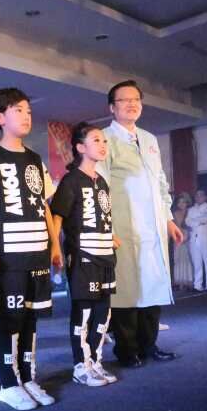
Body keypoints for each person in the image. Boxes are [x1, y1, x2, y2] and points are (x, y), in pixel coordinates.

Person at [0, 87, 63, 410]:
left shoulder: (35, 159)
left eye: (28, 111)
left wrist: (54, 245)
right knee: (11, 319)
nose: (26, 116)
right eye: (18, 110)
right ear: (0, 117)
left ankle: (28, 377)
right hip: (8, 255)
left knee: (31, 319)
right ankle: (9, 384)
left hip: (37, 251)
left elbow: (44, 204)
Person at [98, 80, 183, 368]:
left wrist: (168, 219)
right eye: (124, 100)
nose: (132, 104)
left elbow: (160, 182)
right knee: (127, 290)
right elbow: (100, 187)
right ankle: (126, 350)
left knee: (153, 286)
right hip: (123, 227)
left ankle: (149, 345)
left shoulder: (149, 139)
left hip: (153, 228)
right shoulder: (104, 139)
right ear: (112, 107)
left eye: (136, 99)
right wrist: (107, 229)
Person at [50, 123, 120, 387]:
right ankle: (81, 366)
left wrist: (111, 235)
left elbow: (104, 216)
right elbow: (57, 216)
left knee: (104, 313)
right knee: (84, 313)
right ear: (80, 147)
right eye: (96, 140)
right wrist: (55, 248)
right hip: (83, 257)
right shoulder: (71, 180)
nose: (102, 145)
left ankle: (96, 361)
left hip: (105, 256)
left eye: (104, 141)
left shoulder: (101, 181)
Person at [186, 189, 207, 292]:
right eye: (197, 195)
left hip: (206, 238)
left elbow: (206, 219)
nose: (198, 197)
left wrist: (194, 221)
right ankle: (197, 285)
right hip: (194, 238)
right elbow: (187, 222)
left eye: (201, 195)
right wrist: (198, 221)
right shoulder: (191, 209)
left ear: (205, 197)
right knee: (196, 262)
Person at [172, 193, 194, 290]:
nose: (181, 204)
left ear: (187, 203)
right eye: (179, 202)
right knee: (178, 259)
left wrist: (187, 235)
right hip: (178, 237)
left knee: (188, 258)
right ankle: (179, 281)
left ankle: (189, 281)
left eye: (183, 202)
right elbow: (175, 226)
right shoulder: (175, 213)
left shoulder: (191, 212)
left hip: (190, 236)